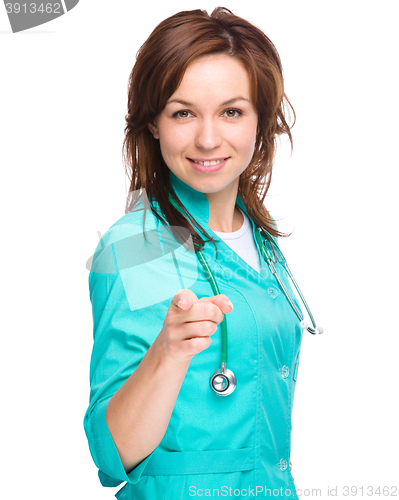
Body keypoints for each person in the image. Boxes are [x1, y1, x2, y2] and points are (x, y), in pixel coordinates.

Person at [84, 7, 304, 500]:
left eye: (232, 111)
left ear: (259, 121)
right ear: (154, 124)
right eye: (183, 112)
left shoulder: (260, 242)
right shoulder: (139, 245)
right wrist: (168, 353)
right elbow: (112, 454)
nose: (208, 138)